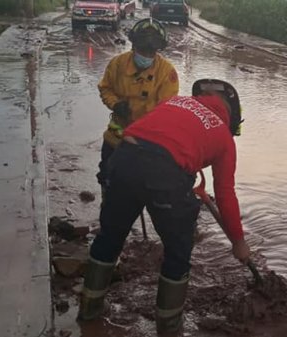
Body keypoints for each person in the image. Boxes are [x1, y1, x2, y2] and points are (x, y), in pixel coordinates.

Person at [78, 79, 251, 336]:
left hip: (123, 158)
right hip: (165, 174)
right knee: (178, 250)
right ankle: (169, 330)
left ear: (202, 97)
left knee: (110, 236)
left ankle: (89, 313)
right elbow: (225, 194)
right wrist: (238, 241)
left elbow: (149, 135)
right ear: (230, 115)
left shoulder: (175, 101)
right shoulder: (224, 137)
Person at [97, 18, 179, 194]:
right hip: (115, 142)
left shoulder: (166, 72)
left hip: (147, 148)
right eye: (143, 50)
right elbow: (106, 88)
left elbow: (167, 110)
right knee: (109, 183)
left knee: (143, 191)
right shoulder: (117, 64)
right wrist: (116, 104)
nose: (147, 56)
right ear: (133, 45)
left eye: (151, 52)